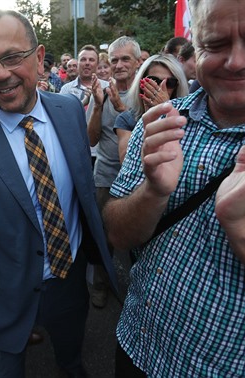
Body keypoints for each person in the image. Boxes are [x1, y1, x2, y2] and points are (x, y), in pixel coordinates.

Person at [104, 0, 245, 376]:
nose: (235, 61)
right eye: (214, 44)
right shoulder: (164, 120)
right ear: (194, 37)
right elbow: (118, 234)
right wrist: (152, 193)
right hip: (138, 349)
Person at [0, 9, 117, 378]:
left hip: (69, 279)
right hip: (0, 299)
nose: (0, 73)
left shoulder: (68, 111)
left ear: (40, 57)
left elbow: (80, 193)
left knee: (72, 362)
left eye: (13, 57)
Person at [86, 36, 141, 308]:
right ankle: (100, 284)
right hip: (106, 174)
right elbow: (92, 139)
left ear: (138, 62)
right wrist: (97, 106)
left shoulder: (147, 91)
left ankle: (141, 287)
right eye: (114, 60)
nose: (118, 65)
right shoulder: (101, 92)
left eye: (125, 59)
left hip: (140, 178)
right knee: (101, 234)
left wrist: (123, 111)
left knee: (140, 235)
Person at [114, 54, 188, 163]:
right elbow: (126, 162)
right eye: (153, 80)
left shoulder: (186, 117)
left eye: (169, 83)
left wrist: (166, 113)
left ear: (177, 86)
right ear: (141, 82)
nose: (160, 87)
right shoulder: (127, 119)